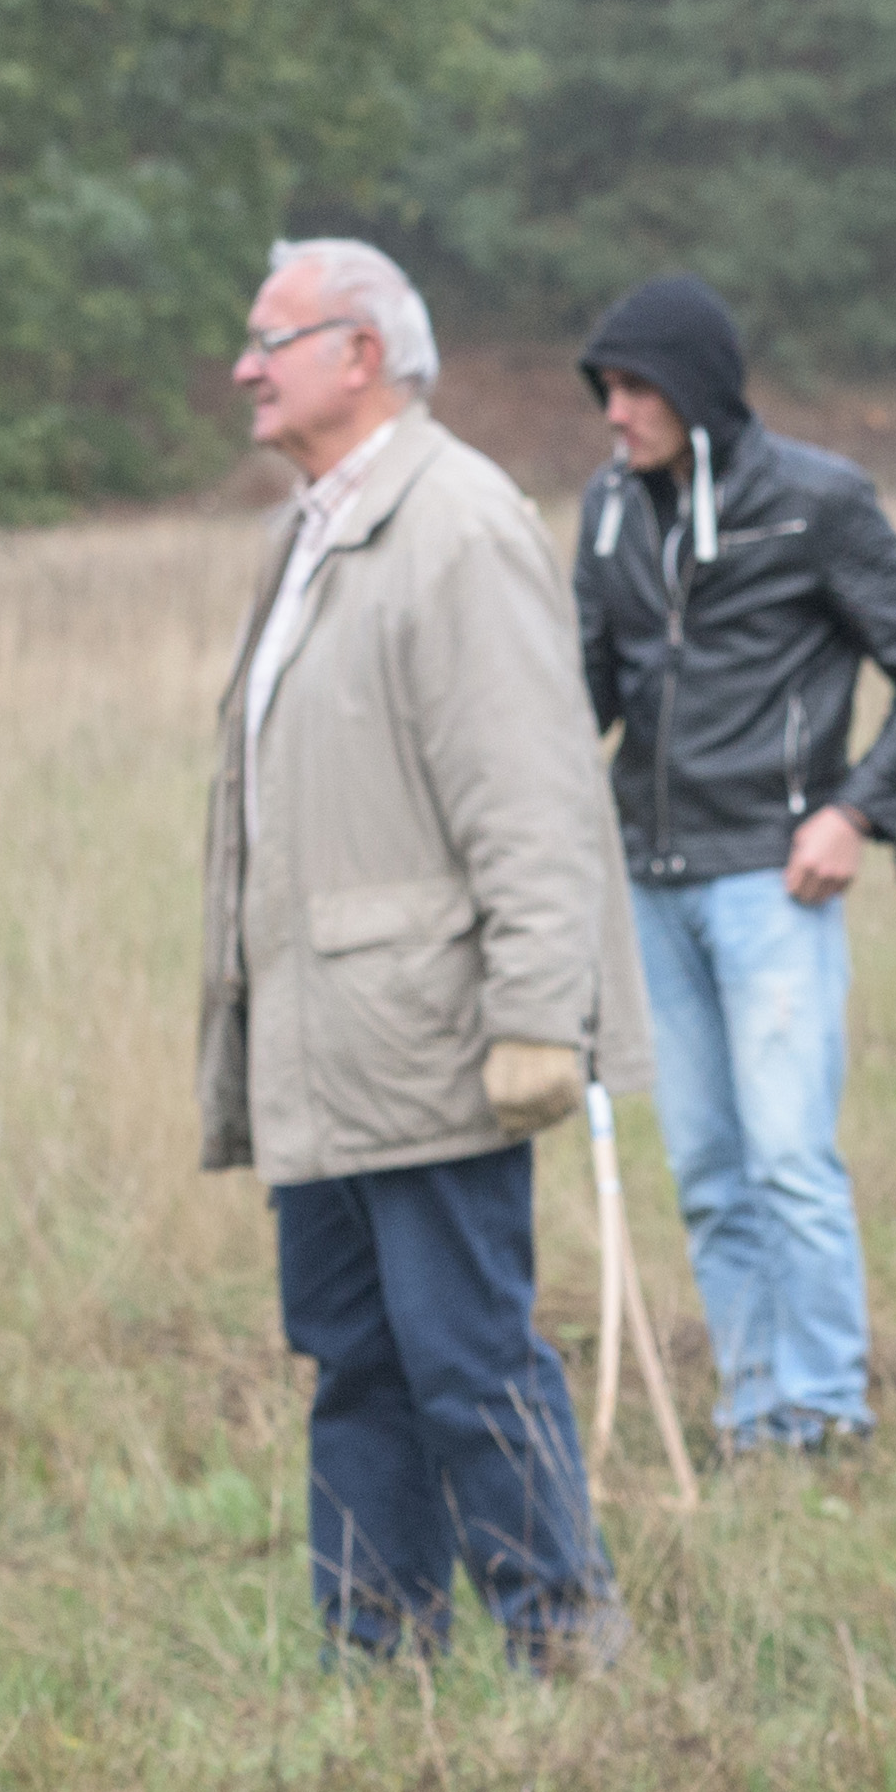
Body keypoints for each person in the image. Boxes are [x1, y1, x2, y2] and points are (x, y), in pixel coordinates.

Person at [201, 237, 634, 1671]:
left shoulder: (452, 523)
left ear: (360, 354)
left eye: (272, 340)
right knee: (351, 1353)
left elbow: (530, 790)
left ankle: (561, 1639)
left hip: (432, 1033)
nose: (244, 368)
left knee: (465, 1352)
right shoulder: (314, 526)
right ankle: (372, 1643)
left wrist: (531, 1014)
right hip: (325, 1044)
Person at [569, 276, 896, 1459]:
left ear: (693, 388)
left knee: (788, 1156)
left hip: (772, 880)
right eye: (606, 387)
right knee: (704, 1163)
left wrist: (855, 813)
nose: (613, 411)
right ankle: (753, 1415)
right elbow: (587, 688)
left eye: (634, 386)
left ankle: (830, 1411)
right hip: (648, 880)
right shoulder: (605, 509)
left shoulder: (820, 502)